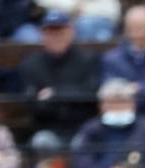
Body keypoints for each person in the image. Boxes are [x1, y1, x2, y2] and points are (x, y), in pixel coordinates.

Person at [20, 11, 100, 151]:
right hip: (48, 127)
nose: (55, 37)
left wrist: (55, 93)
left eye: (60, 31)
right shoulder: (31, 64)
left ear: (71, 32)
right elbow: (34, 104)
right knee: (41, 141)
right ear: (42, 35)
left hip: (81, 127)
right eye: (50, 32)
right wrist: (72, 97)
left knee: (86, 141)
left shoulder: (88, 60)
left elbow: (91, 95)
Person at [69, 77, 145, 168]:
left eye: (122, 102)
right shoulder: (90, 129)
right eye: (111, 103)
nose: (117, 107)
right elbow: (81, 162)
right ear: (101, 106)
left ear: (133, 103)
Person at [34, 0, 119, 43]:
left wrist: (85, 10)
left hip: (96, 27)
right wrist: (72, 6)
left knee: (90, 27)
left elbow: (113, 13)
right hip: (63, 24)